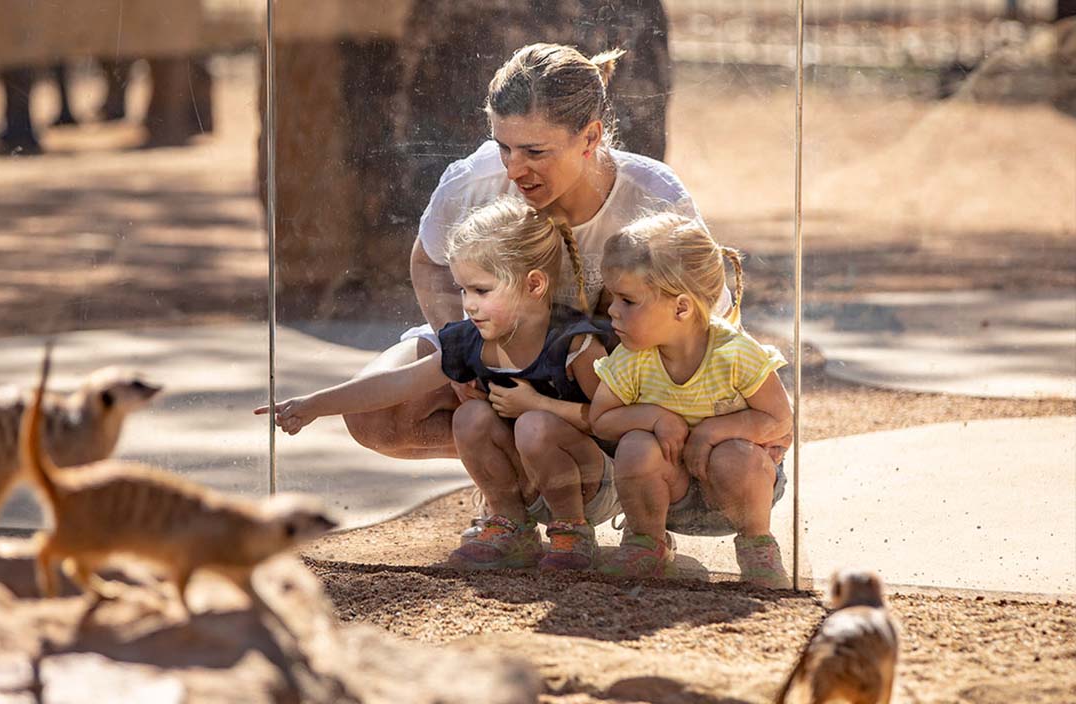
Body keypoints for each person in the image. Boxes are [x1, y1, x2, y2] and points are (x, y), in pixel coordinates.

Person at [343, 42, 709, 464]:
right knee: (373, 415)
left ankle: (595, 470)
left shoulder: (655, 195)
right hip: (501, 347)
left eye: (535, 152)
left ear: (590, 137)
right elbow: (429, 261)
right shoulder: (474, 180)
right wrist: (462, 353)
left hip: (609, 368)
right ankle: (516, 472)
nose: (514, 169)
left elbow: (703, 316)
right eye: (504, 147)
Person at [257, 195, 617, 571]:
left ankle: (573, 532)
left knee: (534, 425)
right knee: (471, 417)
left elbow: (609, 422)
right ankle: (511, 525)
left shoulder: (575, 345)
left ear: (534, 285)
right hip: (529, 479)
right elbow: (397, 384)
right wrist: (313, 405)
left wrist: (539, 405)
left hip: (590, 485)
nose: (468, 304)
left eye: (481, 290)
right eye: (463, 290)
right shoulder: (470, 341)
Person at [588, 212, 793, 588]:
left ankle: (757, 546)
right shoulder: (632, 357)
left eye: (627, 300)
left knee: (735, 455)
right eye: (612, 297)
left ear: (681, 308)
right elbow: (600, 419)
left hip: (737, 492)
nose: (612, 309)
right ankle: (646, 543)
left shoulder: (735, 352)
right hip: (669, 493)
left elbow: (780, 420)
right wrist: (654, 418)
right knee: (636, 446)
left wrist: (711, 433)